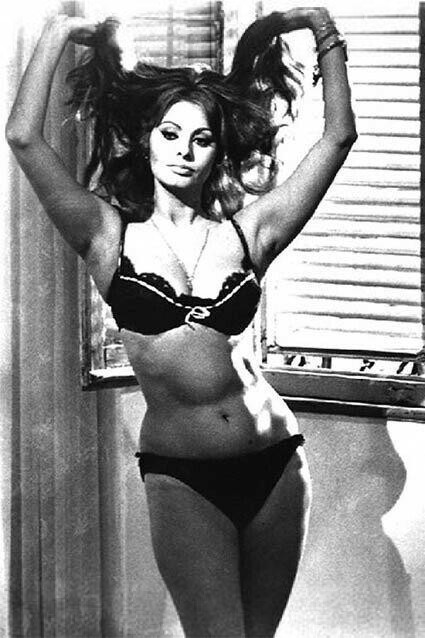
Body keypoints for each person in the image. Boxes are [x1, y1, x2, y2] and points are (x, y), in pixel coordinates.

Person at [6, 6, 356, 637]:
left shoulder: (251, 233)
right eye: (170, 134)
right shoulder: (106, 234)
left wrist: (322, 26)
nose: (184, 152)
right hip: (185, 477)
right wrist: (58, 31)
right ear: (146, 138)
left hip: (277, 461)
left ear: (220, 149)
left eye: (202, 139)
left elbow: (338, 139)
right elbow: (24, 138)